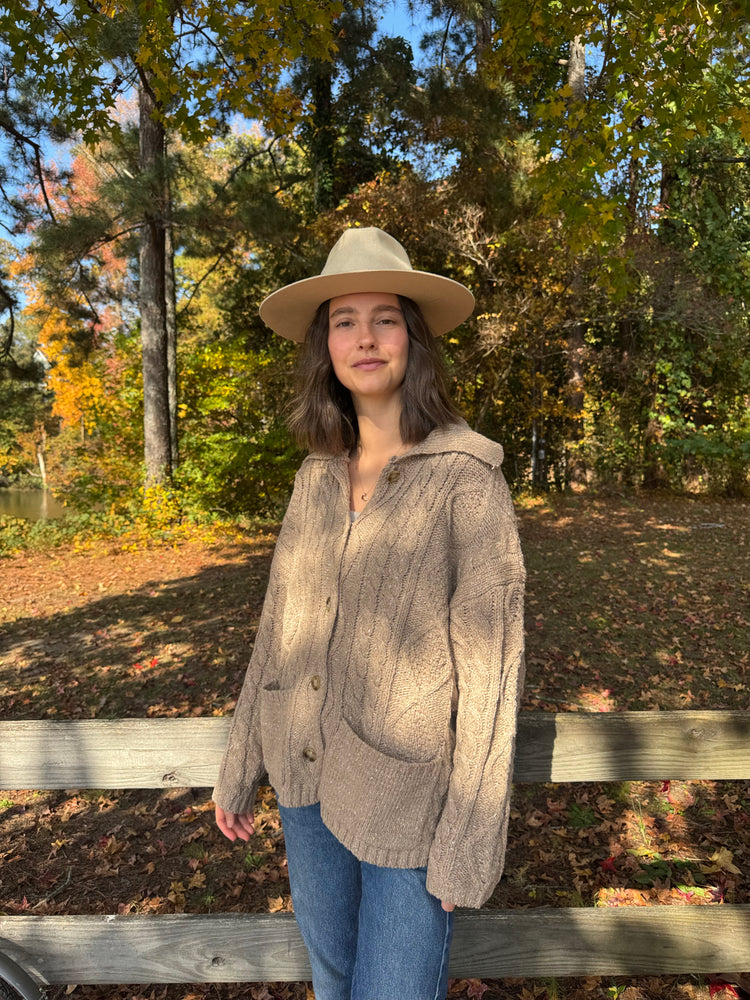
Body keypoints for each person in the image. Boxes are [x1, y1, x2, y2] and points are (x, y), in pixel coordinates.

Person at [213, 226, 526, 1000]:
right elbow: (276, 631)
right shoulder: (315, 480)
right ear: (325, 347)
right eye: (343, 320)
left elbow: (493, 673)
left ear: (413, 339)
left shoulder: (467, 480)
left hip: (409, 801)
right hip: (304, 783)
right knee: (334, 983)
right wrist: (238, 764)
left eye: (384, 317)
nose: (365, 337)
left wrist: (467, 839)